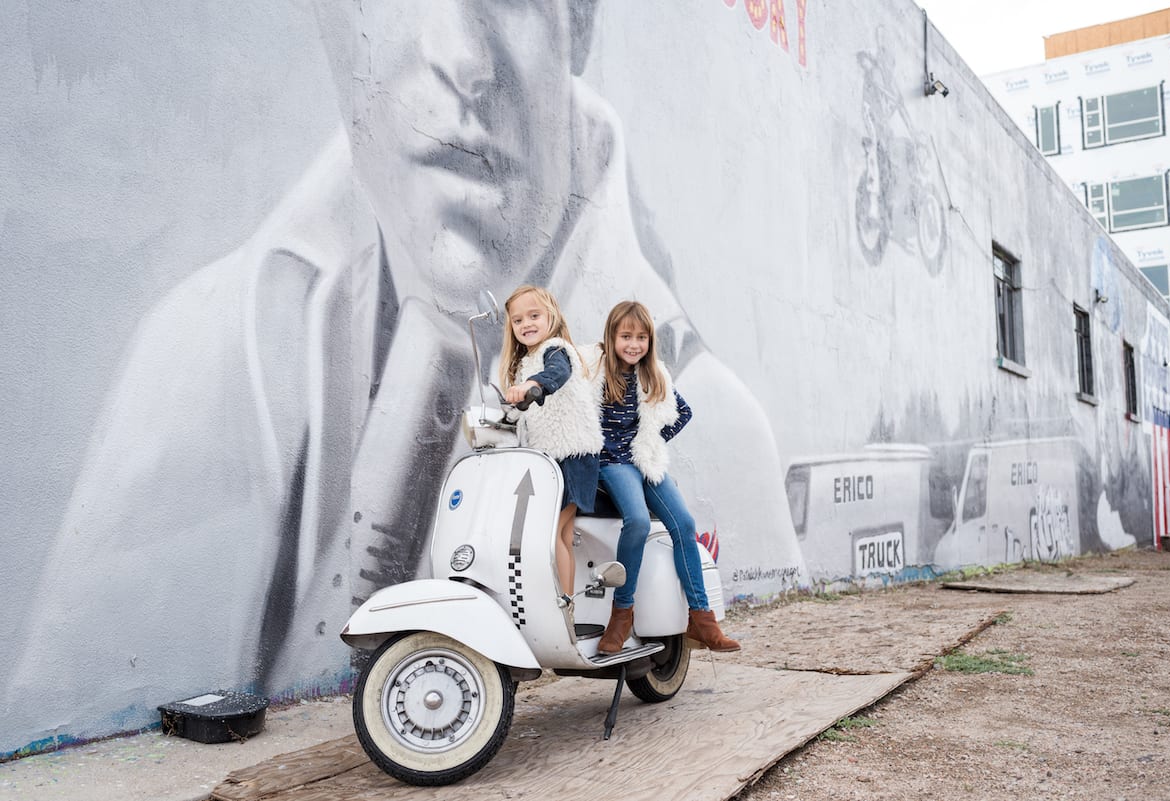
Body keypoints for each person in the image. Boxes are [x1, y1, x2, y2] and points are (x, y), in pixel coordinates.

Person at [6, 0, 806, 752]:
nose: (463, 59)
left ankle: (664, 615)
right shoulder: (204, 352)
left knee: (638, 519)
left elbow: (582, 384)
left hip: (605, 463)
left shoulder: (704, 411)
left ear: (579, 26)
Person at [594, 301, 740, 655]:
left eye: (641, 337)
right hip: (612, 462)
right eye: (626, 336)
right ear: (612, 338)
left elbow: (682, 412)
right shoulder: (597, 372)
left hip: (646, 459)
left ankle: (702, 620)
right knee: (639, 521)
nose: (633, 344)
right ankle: (622, 615)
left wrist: (650, 440)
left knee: (684, 524)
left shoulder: (653, 374)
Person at [499, 285, 602, 604]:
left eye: (534, 316)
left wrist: (532, 385)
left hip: (574, 453)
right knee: (562, 534)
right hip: (553, 456)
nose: (526, 324)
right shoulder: (524, 361)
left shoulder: (555, 349)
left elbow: (556, 374)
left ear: (551, 317)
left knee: (552, 532)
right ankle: (565, 604)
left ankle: (561, 602)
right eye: (518, 320)